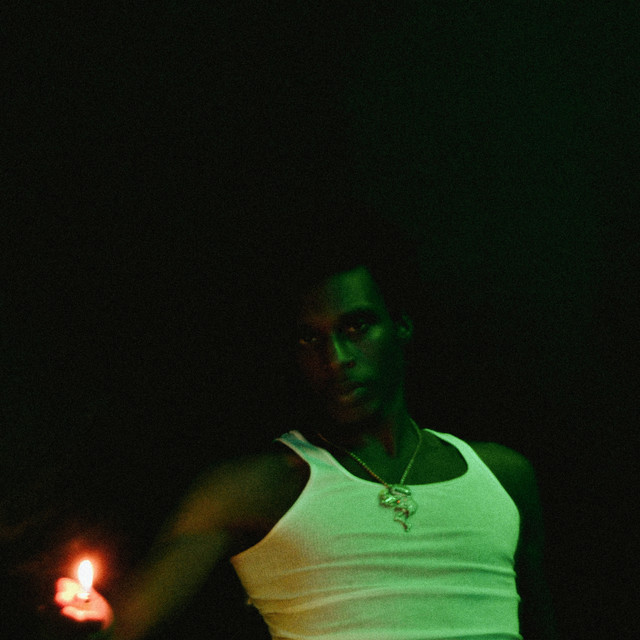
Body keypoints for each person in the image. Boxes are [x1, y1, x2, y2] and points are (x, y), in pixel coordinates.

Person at [55, 204, 558, 639]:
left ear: (401, 324)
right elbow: (119, 626)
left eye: (356, 327)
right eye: (311, 338)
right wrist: (89, 621)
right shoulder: (256, 490)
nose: (336, 358)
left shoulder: (504, 477)